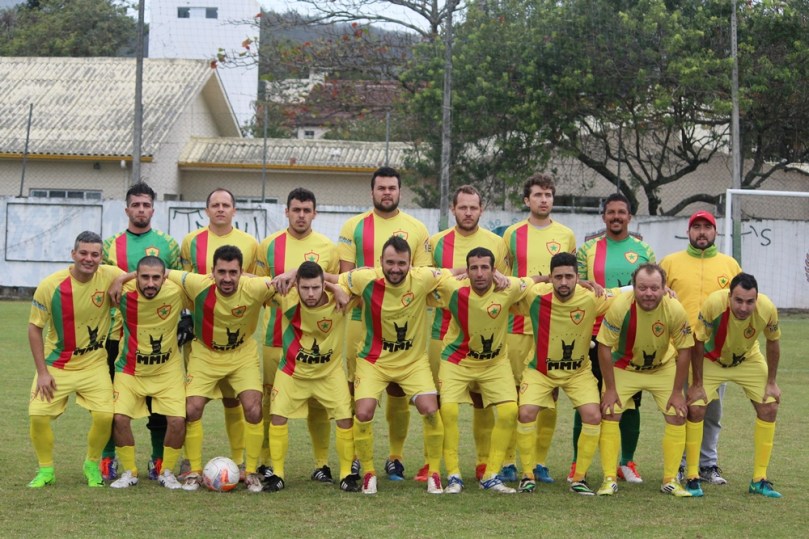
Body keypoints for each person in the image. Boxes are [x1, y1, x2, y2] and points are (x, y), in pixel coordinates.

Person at [337, 166, 432, 482]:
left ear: (400, 191)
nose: (387, 193)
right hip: (359, 319)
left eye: (392, 188)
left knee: (397, 389)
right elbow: (346, 276)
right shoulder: (353, 226)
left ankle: (395, 457)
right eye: (381, 188)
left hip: (401, 319)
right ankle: (355, 458)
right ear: (372, 191)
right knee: (357, 391)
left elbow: (420, 276)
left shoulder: (416, 228)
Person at [338, 236, 447, 494]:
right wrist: (331, 287)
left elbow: (455, 273)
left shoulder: (423, 277)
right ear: (380, 262)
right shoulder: (365, 278)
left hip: (412, 362)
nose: (395, 269)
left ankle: (434, 472)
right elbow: (334, 279)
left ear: (411, 264)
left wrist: (497, 276)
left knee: (431, 410)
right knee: (363, 413)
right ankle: (368, 472)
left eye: (401, 263)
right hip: (373, 361)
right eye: (390, 263)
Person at [169, 245, 275, 493]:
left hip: (241, 354)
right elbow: (162, 272)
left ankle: (251, 471)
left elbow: (290, 279)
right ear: (212, 272)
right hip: (205, 354)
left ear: (241, 272)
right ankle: (194, 471)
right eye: (222, 272)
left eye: (233, 272)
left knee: (253, 407)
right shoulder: (197, 283)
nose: (227, 278)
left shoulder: (255, 287)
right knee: (191, 408)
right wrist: (121, 279)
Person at [513, 252, 621, 495]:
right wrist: (539, 278)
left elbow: (627, 293)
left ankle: (579, 479)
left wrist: (664, 289)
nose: (563, 282)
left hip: (577, 372)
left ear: (577, 277)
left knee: (593, 416)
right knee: (526, 412)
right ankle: (527, 475)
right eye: (558, 277)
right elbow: (512, 286)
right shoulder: (535, 295)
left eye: (569, 277)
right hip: (540, 371)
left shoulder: (592, 297)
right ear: (550, 277)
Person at [432, 247, 535, 494]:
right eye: (474, 268)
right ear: (467, 271)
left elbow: (534, 281)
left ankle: (491, 475)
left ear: (494, 270)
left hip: (494, 363)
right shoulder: (452, 287)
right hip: (457, 360)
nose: (479, 273)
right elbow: (420, 276)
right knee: (448, 410)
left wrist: (511, 279)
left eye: (485, 268)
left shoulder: (508, 287)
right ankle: (454, 475)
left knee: (510, 411)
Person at [425, 185, 510, 482]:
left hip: (483, 333)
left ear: (481, 209)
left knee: (482, 399)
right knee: (437, 402)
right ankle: (430, 463)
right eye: (463, 207)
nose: (468, 212)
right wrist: (460, 272)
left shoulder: (497, 243)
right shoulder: (436, 242)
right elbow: (425, 281)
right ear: (453, 209)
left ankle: (483, 462)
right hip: (442, 332)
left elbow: (505, 284)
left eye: (473, 207)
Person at [27, 231, 124, 488]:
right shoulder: (50, 285)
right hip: (57, 365)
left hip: (94, 365)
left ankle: (91, 464)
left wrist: (122, 279)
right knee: (37, 416)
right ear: (73, 254)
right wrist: (43, 373)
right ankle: (46, 470)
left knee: (105, 416)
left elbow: (143, 274)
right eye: (83, 253)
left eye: (95, 254)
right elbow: (34, 328)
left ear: (101, 258)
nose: (89, 259)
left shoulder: (110, 275)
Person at [256, 187, 340, 483]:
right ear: (287, 212)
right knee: (271, 402)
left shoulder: (328, 248)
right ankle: (266, 463)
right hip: (275, 337)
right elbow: (258, 286)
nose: (301, 215)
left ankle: (322, 464)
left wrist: (296, 272)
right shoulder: (268, 246)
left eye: (306, 210)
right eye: (296, 210)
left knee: (318, 402)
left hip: (314, 340)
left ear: (314, 213)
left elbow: (336, 284)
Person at [101, 181, 182, 481]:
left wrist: (184, 319)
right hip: (115, 332)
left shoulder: (168, 244)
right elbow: (102, 281)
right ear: (126, 210)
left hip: (155, 332)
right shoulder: (111, 245)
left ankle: (158, 460)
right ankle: (108, 458)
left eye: (146, 205)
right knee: (111, 402)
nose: (141, 210)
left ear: (153, 209)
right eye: (135, 205)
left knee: (159, 404)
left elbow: (177, 280)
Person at [573, 193, 655, 484]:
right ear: (603, 216)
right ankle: (577, 463)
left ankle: (626, 462)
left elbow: (653, 287)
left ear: (630, 216)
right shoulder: (587, 250)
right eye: (611, 212)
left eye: (622, 212)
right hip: (595, 335)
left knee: (630, 401)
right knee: (587, 399)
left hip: (631, 335)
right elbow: (577, 288)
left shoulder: (643, 250)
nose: (616, 217)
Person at [500, 172, 576, 483]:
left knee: (550, 396)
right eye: (538, 195)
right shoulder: (512, 234)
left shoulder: (566, 235)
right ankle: (508, 461)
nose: (543, 200)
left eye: (548, 195)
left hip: (553, 328)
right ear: (526, 200)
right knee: (514, 396)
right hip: (517, 325)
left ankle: (539, 462)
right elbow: (504, 281)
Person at [262, 261, 361, 493]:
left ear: (323, 285)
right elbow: (250, 283)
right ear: (296, 285)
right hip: (292, 372)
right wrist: (285, 276)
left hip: (329, 374)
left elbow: (367, 278)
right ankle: (278, 474)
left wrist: (335, 287)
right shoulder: (286, 296)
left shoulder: (341, 299)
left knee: (345, 418)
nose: (310, 294)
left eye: (316, 287)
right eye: (305, 288)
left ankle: (346, 474)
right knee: (277, 416)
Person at [596, 264, 694, 497]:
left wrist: (677, 392)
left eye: (654, 288)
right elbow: (604, 346)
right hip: (624, 367)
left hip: (662, 367)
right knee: (610, 411)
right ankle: (609, 479)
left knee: (678, 414)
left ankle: (670, 480)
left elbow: (685, 350)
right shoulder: (620, 306)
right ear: (634, 287)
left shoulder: (675, 308)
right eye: (642, 288)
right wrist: (610, 389)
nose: (648, 293)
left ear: (664, 287)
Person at [180, 188, 259, 477]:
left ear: (234, 210)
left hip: (236, 334)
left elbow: (254, 282)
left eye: (226, 205)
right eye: (215, 205)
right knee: (193, 404)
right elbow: (184, 283)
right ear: (207, 210)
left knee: (233, 399)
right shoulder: (191, 242)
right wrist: (185, 316)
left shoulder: (249, 243)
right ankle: (189, 463)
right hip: (202, 336)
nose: (221, 209)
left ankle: (240, 460)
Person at [660, 210, 742, 485]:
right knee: (680, 408)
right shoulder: (670, 263)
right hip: (679, 349)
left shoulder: (730, 265)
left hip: (714, 352)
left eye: (707, 226)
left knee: (711, 411)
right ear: (688, 232)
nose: (702, 232)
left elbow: (742, 303)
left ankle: (707, 464)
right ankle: (681, 463)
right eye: (697, 227)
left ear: (715, 231)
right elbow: (652, 296)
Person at [684, 273, 782, 498]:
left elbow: (773, 342)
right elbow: (698, 341)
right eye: (738, 300)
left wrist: (772, 382)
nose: (744, 307)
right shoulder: (713, 304)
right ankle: (692, 476)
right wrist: (697, 383)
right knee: (696, 407)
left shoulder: (767, 309)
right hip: (711, 359)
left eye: (750, 301)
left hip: (747, 359)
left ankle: (759, 479)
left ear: (757, 299)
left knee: (770, 406)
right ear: (729, 297)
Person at [108, 256, 190, 490]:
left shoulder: (176, 291)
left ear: (165, 277)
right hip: (130, 370)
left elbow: (209, 283)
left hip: (167, 371)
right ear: (136, 276)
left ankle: (167, 472)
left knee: (177, 421)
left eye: (156, 277)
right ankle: (129, 472)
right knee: (119, 419)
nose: (150, 283)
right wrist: (120, 279)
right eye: (144, 277)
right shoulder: (123, 292)